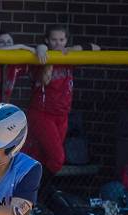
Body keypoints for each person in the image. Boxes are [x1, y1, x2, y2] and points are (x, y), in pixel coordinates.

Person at [23, 25, 100, 204]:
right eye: (54, 40)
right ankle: (35, 196)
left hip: (62, 115)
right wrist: (46, 53)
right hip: (42, 114)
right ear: (47, 41)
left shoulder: (68, 56)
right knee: (57, 159)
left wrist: (71, 50)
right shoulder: (41, 56)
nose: (58, 43)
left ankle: (32, 198)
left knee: (44, 158)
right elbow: (44, 80)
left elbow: (95, 47)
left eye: (62, 40)